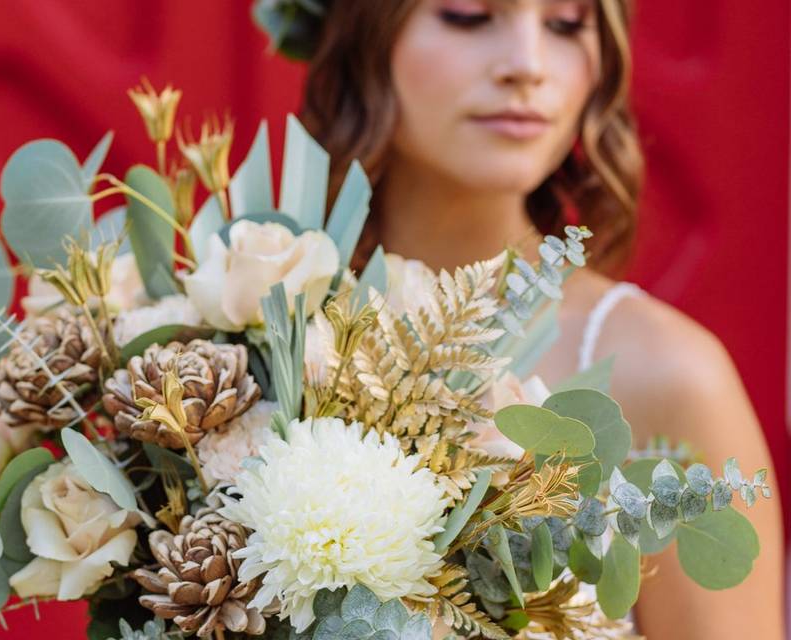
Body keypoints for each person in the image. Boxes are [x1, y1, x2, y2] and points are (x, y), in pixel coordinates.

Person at [292, 0, 785, 637]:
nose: (527, 65)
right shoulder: (241, 325)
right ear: (361, 29)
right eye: (468, 15)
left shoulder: (673, 376)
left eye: (566, 23)